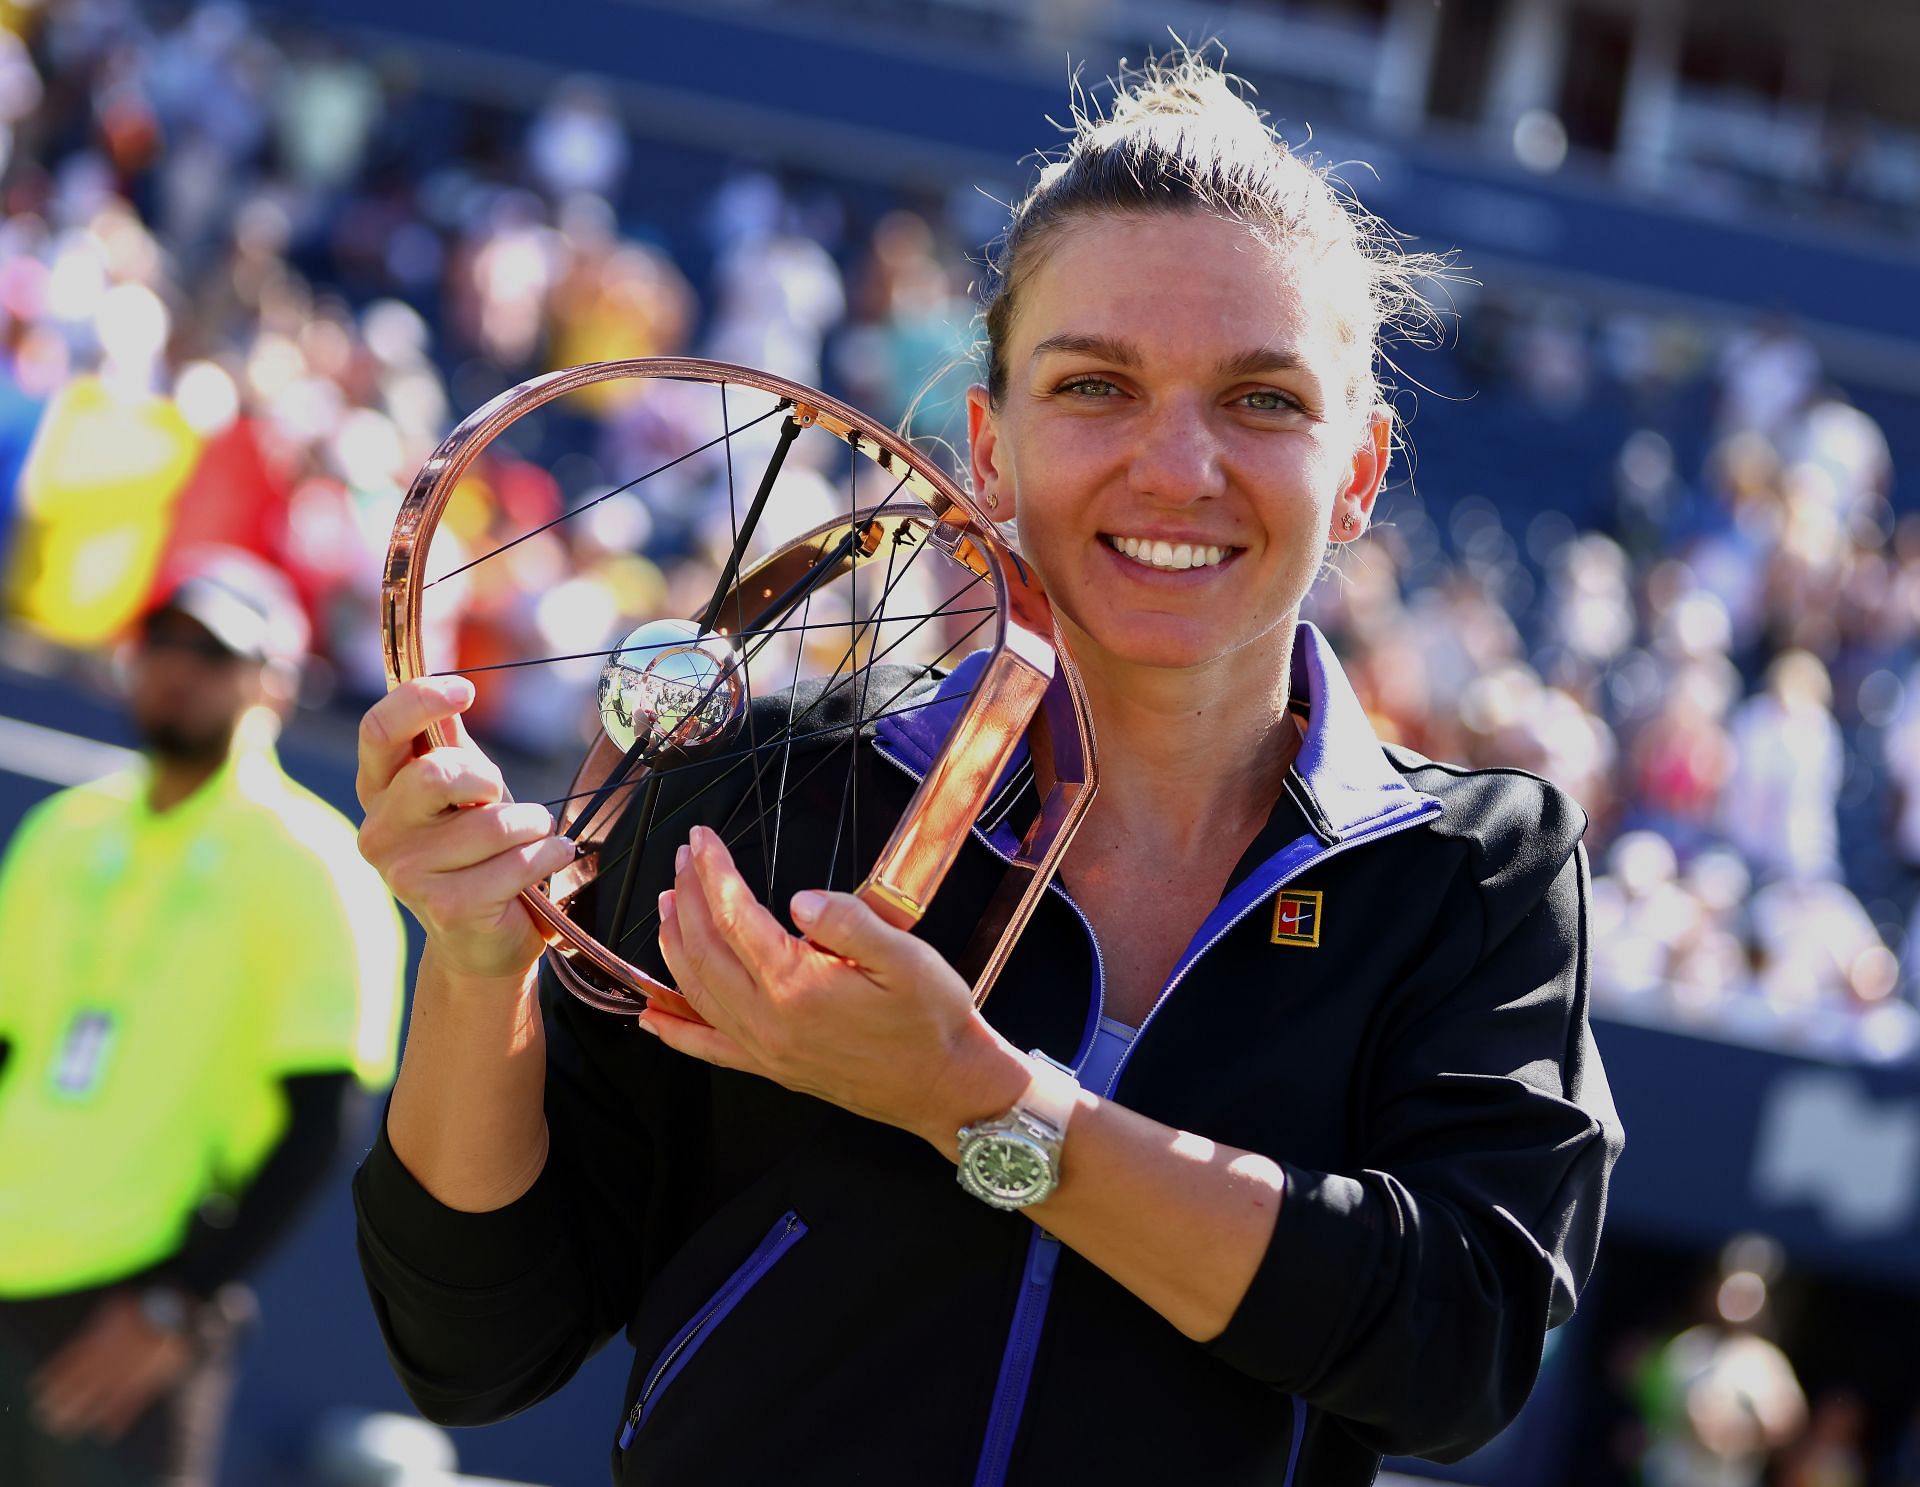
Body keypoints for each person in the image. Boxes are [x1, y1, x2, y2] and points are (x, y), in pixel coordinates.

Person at [352, 55, 1622, 1485]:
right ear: (986, 445)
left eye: (1263, 399)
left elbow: (1459, 1353)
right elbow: (477, 1345)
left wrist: (977, 1099)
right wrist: (472, 968)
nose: (1178, 464)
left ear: (1362, 469)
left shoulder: (1472, 870)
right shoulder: (771, 789)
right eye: (1096, 385)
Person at [0, 546, 406, 1487]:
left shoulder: (316, 862)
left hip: (123, 1304)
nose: (179, 670)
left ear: (273, 683)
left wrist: (179, 1300)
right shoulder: (63, 830)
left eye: (214, 654)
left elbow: (323, 1121)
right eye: (163, 644)